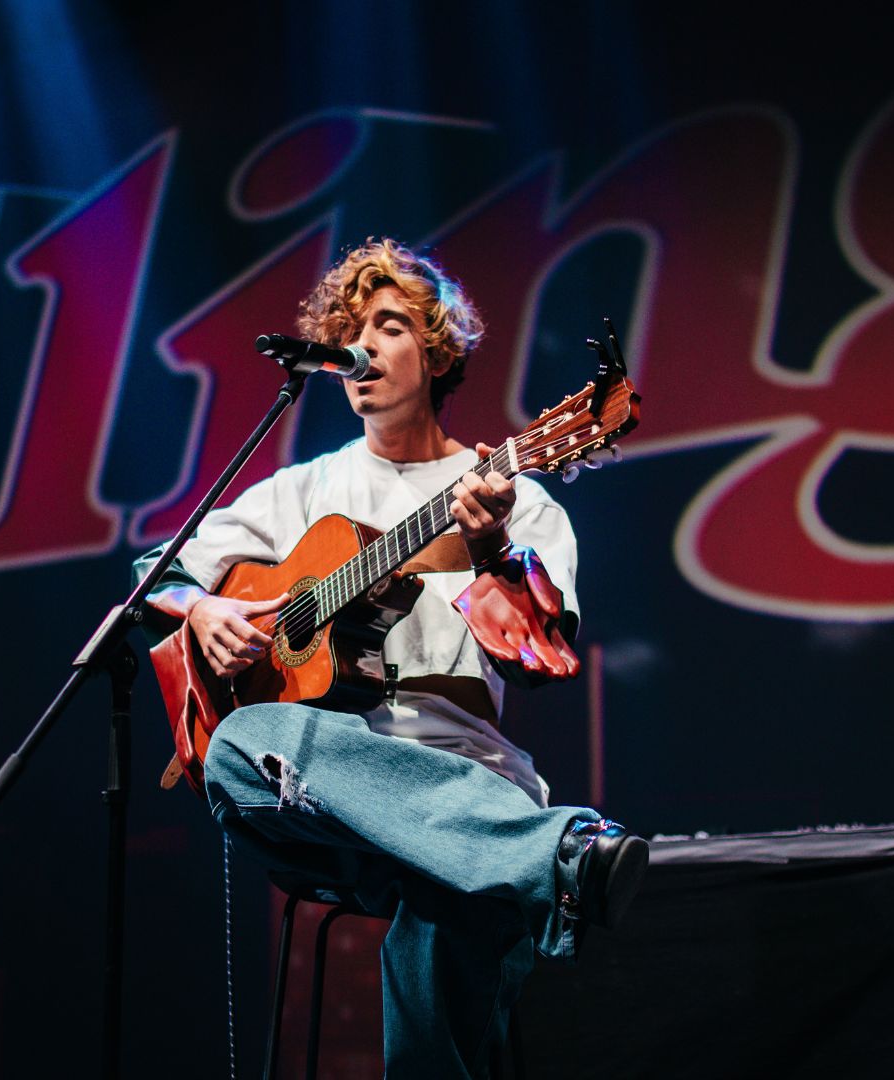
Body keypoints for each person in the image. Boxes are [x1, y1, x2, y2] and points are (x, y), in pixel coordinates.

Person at [135, 238, 645, 1078]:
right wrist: (206, 610)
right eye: (350, 330)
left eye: (390, 325)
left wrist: (488, 552)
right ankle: (554, 857)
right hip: (328, 796)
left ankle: (506, 859)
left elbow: (534, 661)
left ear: (437, 350)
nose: (362, 346)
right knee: (233, 746)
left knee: (451, 904)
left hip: (465, 777)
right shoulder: (303, 491)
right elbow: (156, 573)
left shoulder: (518, 496)